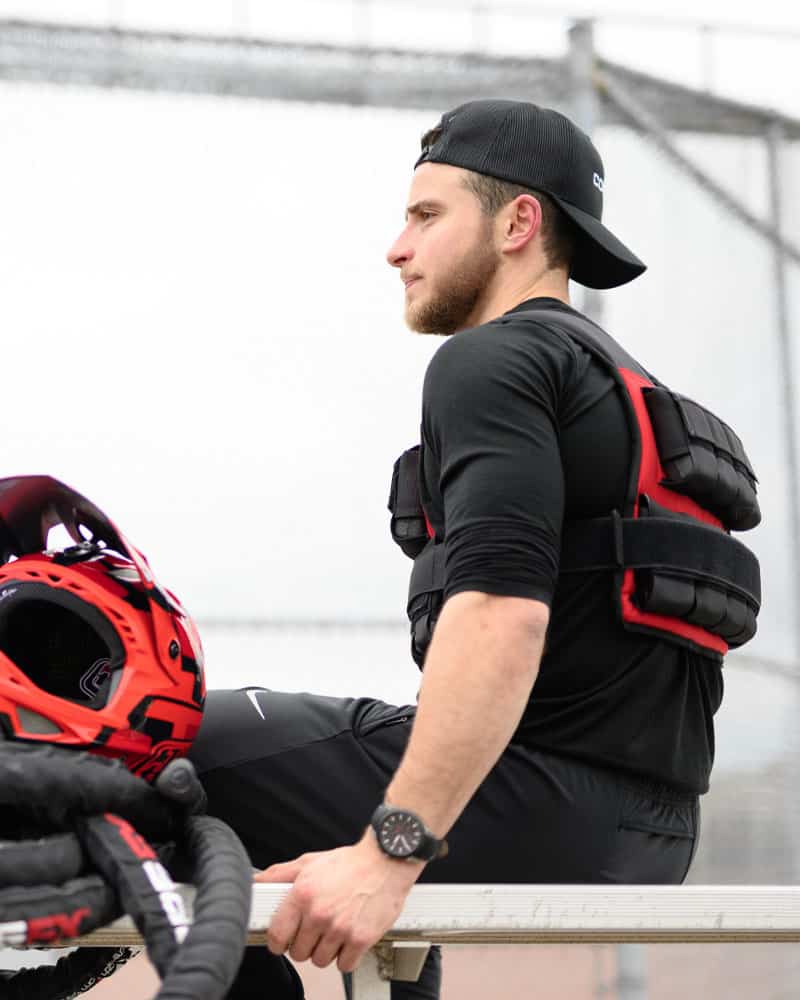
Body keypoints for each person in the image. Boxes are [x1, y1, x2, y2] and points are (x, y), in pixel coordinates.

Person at [188, 99, 761, 999]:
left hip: (540, 807)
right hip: (654, 833)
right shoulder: (625, 389)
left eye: (425, 215)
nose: (396, 248)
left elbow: (501, 615)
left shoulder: (494, 362)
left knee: (155, 744)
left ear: (518, 223)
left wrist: (389, 854)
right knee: (291, 826)